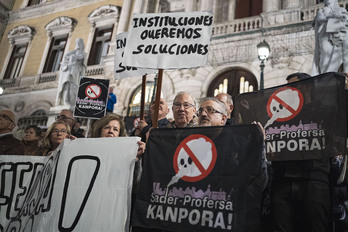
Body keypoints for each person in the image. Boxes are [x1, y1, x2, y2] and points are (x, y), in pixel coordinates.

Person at [270, 73, 331, 232]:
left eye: (292, 87)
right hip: (282, 180)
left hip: (313, 180)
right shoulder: (278, 117)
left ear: (306, 87)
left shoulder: (325, 112)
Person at [312, 0, 348, 75]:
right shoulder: (321, 12)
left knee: (337, 58)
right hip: (324, 37)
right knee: (324, 57)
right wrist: (334, 18)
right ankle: (325, 75)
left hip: (338, 38)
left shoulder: (342, 10)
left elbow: (345, 21)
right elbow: (320, 19)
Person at [56, 38, 86, 106]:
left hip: (76, 73)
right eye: (77, 43)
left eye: (80, 43)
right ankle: (65, 102)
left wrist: (82, 78)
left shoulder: (84, 54)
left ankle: (71, 103)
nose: (78, 45)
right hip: (68, 71)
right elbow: (64, 61)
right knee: (66, 86)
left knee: (73, 87)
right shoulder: (71, 53)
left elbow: (84, 66)